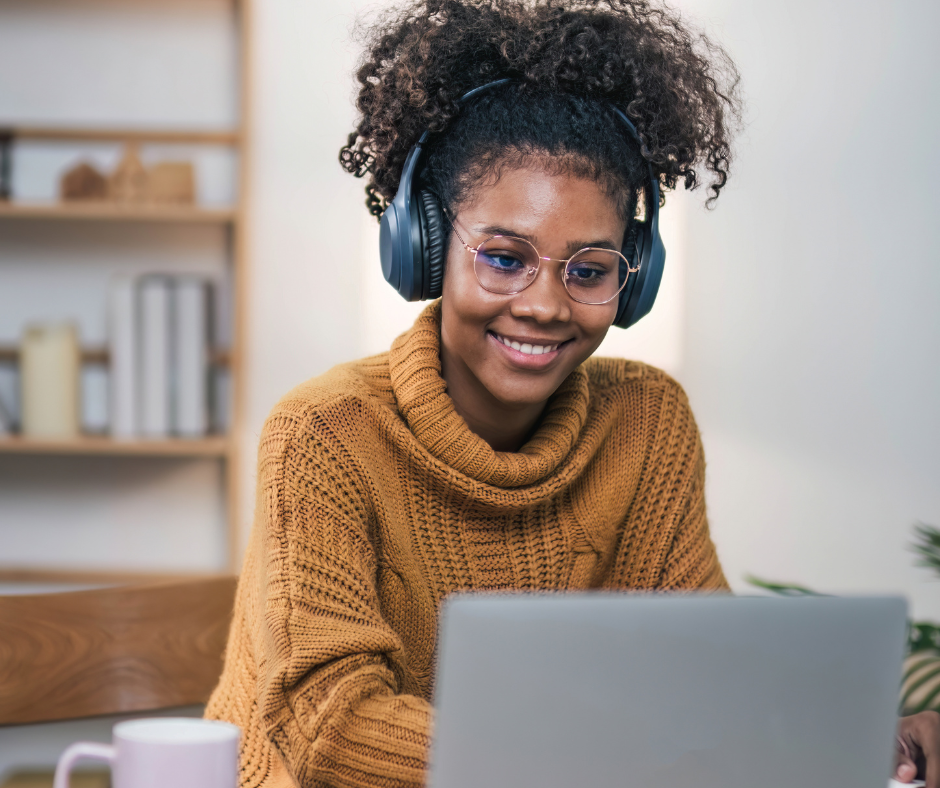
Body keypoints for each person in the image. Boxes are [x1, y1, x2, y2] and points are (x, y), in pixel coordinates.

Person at [205, 0, 940, 786]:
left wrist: (864, 739)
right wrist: (599, 758)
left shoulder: (648, 422)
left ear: (636, 278)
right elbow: (332, 728)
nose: (546, 305)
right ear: (420, 245)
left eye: (588, 270)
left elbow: (708, 674)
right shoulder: (323, 433)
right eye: (503, 257)